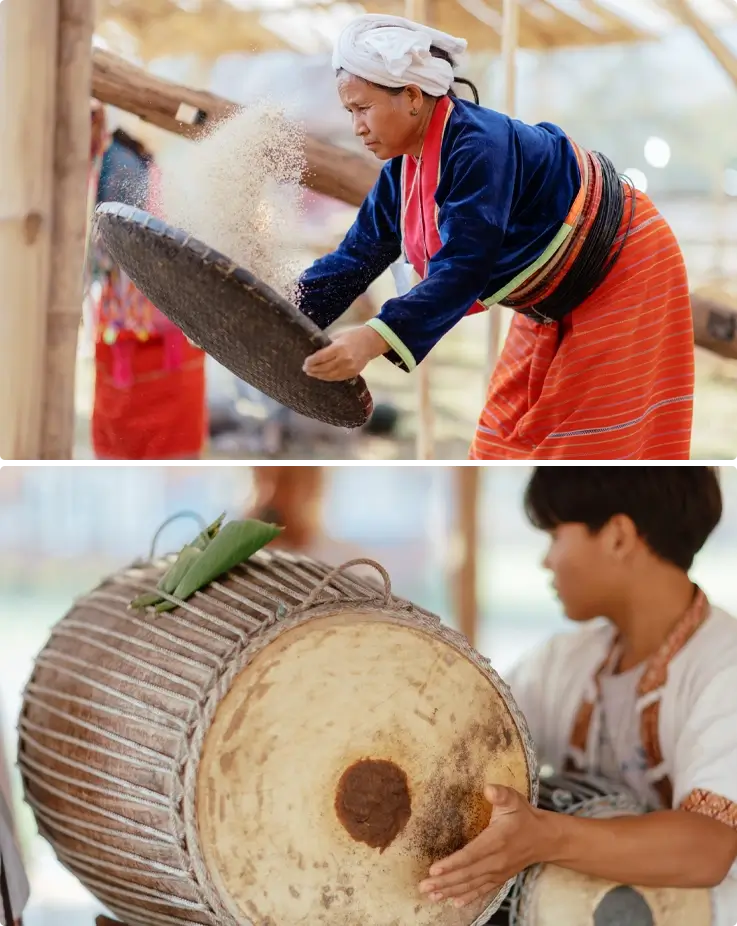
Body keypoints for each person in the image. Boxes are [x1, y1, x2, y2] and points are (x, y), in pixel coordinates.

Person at [297, 14, 695, 462]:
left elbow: (464, 267)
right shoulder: (401, 174)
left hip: (623, 264)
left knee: (590, 450)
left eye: (363, 108)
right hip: (547, 294)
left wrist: (371, 339)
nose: (357, 127)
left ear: (411, 96)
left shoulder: (479, 145)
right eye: (350, 113)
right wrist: (279, 315)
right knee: (500, 441)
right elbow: (354, 258)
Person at [417, 465, 737, 922]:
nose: (546, 561)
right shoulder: (563, 661)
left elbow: (709, 848)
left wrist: (544, 836)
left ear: (618, 537)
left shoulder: (725, 665)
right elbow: (464, 740)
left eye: (554, 536)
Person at [87, 104, 208, 463]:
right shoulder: (117, 158)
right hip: (146, 320)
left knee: (155, 440)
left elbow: (121, 245)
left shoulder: (117, 163)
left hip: (147, 317)